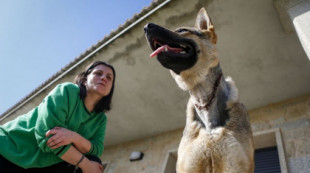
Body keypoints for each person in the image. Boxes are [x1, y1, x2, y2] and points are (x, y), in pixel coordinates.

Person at [0, 61, 116, 173]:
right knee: (88, 162)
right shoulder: (67, 91)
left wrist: (74, 137)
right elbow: (47, 136)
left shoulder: (101, 119)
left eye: (109, 77)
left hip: (40, 164)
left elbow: (97, 150)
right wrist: (85, 165)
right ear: (85, 80)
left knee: (94, 160)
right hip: (10, 149)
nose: (104, 78)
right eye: (98, 73)